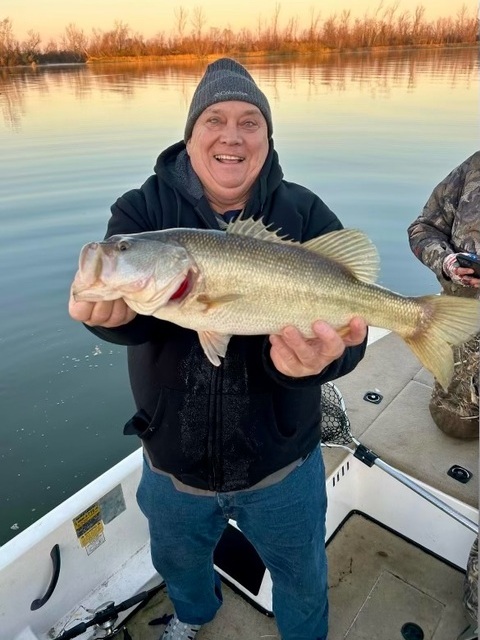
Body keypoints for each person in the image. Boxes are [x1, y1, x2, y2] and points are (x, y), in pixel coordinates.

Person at [69, 58, 368, 640]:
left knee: (302, 574)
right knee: (178, 564)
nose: (232, 135)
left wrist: (321, 362)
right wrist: (107, 322)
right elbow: (136, 320)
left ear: (267, 137)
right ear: (190, 134)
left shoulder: (304, 213)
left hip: (282, 465)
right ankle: (193, 616)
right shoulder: (143, 211)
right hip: (173, 465)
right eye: (214, 119)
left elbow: (350, 339)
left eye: (249, 121)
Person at [407, 151, 480, 439]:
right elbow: (422, 229)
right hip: (466, 324)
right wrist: (447, 263)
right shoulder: (473, 169)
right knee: (456, 425)